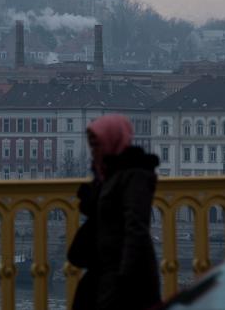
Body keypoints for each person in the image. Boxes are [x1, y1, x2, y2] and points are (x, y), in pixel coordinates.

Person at [68, 114, 161, 310]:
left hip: (124, 273)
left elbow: (136, 228)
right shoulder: (110, 171)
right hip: (105, 267)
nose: (93, 151)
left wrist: (125, 277)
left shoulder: (135, 175)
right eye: (91, 145)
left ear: (112, 139)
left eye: (97, 144)